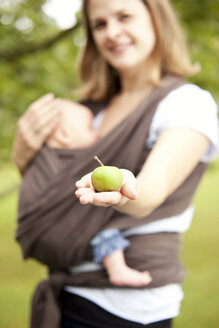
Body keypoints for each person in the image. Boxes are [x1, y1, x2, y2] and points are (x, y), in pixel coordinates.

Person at [13, 1, 219, 328]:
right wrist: (22, 156)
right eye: (99, 24)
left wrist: (125, 190)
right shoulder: (88, 111)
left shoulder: (186, 104)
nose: (112, 33)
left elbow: (154, 188)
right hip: (66, 294)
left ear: (156, 20)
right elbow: (52, 197)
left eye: (124, 16)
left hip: (126, 308)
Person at [46, 98, 151, 287]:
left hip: (57, 233)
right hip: (71, 224)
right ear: (63, 135)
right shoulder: (71, 160)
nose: (97, 134)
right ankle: (117, 269)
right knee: (106, 230)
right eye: (90, 128)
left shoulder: (47, 159)